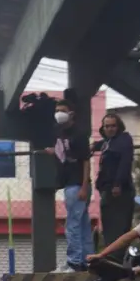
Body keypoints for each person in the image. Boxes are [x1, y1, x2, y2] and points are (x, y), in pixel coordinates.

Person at [43, 99, 93, 271]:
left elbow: (86, 161)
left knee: (72, 224)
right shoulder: (61, 133)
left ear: (71, 113)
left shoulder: (79, 134)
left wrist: (84, 186)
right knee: (83, 223)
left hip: (77, 184)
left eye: (62, 110)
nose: (58, 113)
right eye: (57, 110)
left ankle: (74, 262)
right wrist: (53, 152)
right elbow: (63, 153)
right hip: (70, 183)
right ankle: (88, 260)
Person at [94, 113, 136, 263]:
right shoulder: (108, 142)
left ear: (118, 127)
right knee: (109, 226)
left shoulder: (124, 140)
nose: (110, 129)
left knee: (119, 226)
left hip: (119, 190)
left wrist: (117, 184)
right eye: (107, 126)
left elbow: (125, 162)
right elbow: (102, 144)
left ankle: (116, 258)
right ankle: (111, 256)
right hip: (107, 190)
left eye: (113, 126)